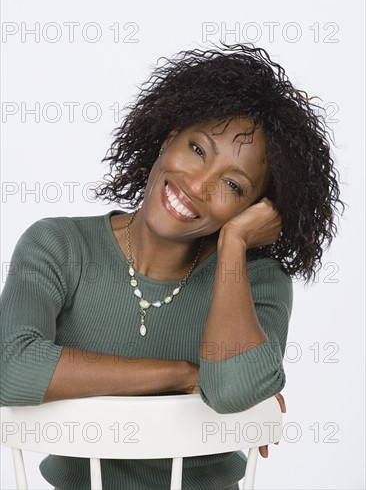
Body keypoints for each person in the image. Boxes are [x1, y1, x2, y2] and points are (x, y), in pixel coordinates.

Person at [0, 42, 344, 489]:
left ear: (254, 209)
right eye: (198, 149)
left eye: (234, 187)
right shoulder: (59, 245)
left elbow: (231, 389)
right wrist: (182, 374)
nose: (198, 185)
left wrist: (235, 245)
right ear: (168, 137)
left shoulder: (257, 280)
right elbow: (10, 366)